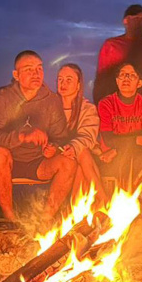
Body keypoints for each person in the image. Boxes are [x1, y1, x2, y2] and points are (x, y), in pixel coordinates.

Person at [0, 50, 76, 222]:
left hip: (38, 161)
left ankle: (46, 219)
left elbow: (61, 137)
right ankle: (10, 219)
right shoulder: (3, 96)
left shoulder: (51, 100)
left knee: (69, 163)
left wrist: (54, 149)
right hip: (9, 160)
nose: (36, 74)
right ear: (16, 75)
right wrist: (21, 136)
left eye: (39, 69)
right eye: (29, 69)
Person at [97, 63, 142, 189]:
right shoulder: (106, 103)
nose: (126, 78)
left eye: (132, 75)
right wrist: (134, 141)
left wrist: (118, 149)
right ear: (117, 81)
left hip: (133, 154)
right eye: (122, 75)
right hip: (109, 156)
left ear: (139, 83)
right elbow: (109, 139)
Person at [56, 64, 107, 202]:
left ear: (78, 85)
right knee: (81, 154)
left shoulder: (87, 109)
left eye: (68, 80)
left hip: (82, 155)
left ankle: (75, 215)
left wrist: (73, 147)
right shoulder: (50, 107)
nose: (63, 83)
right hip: (56, 155)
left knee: (81, 156)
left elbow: (88, 136)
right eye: (60, 79)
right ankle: (103, 201)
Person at [93, 4, 142, 102]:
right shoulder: (112, 45)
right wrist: (99, 103)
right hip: (118, 105)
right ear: (125, 21)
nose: (141, 22)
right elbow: (101, 79)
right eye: (137, 18)